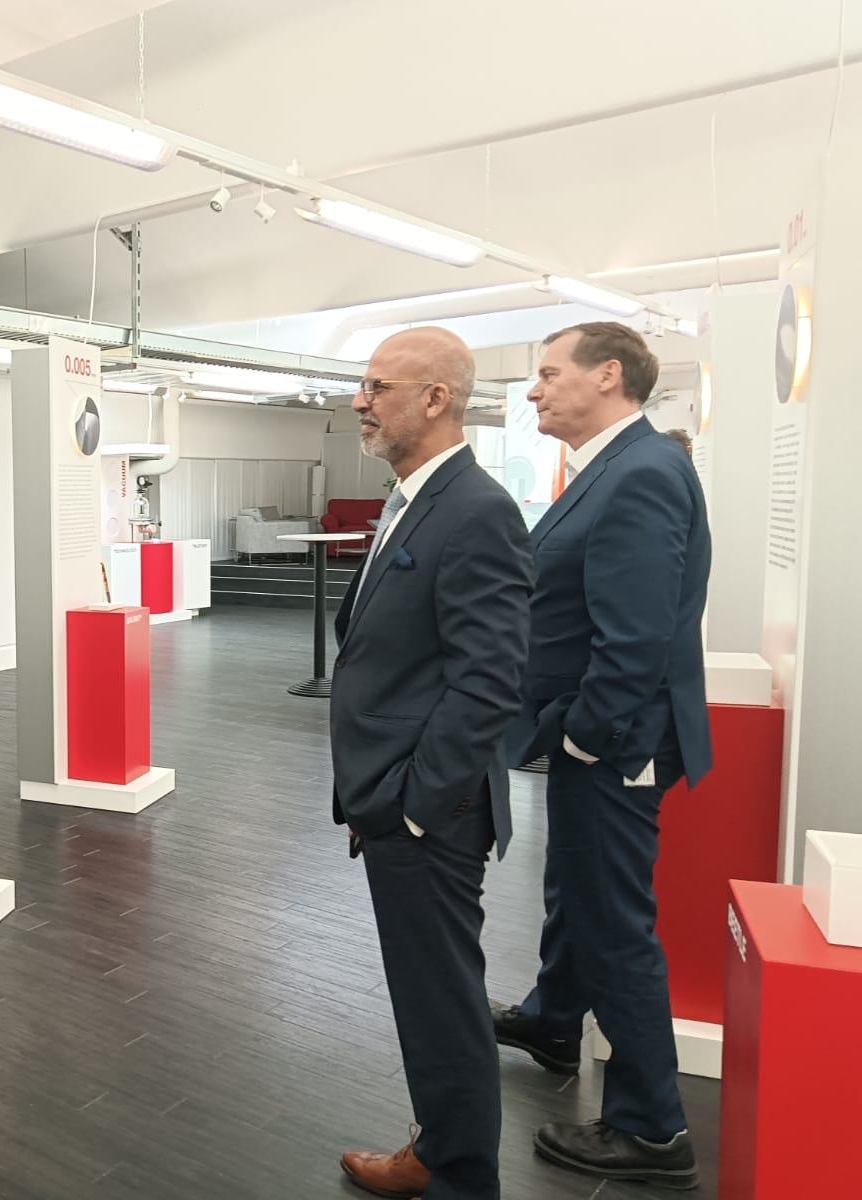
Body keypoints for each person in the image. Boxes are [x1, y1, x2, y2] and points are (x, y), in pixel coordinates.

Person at [497, 321, 711, 1190]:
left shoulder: (642, 474)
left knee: (615, 921)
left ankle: (652, 1125)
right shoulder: (617, 468)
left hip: (614, 743)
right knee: (575, 889)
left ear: (608, 376)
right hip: (593, 736)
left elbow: (636, 639)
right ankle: (554, 1018)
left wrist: (584, 734)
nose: (534, 391)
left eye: (549, 374)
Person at [331, 328, 532, 1200]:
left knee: (444, 1005)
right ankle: (438, 1146)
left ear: (436, 398)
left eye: (377, 385)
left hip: (428, 812)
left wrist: (416, 804)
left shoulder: (477, 508)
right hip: (399, 798)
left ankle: (459, 1179)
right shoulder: (415, 497)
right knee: (427, 998)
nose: (360, 401)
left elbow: (490, 681)